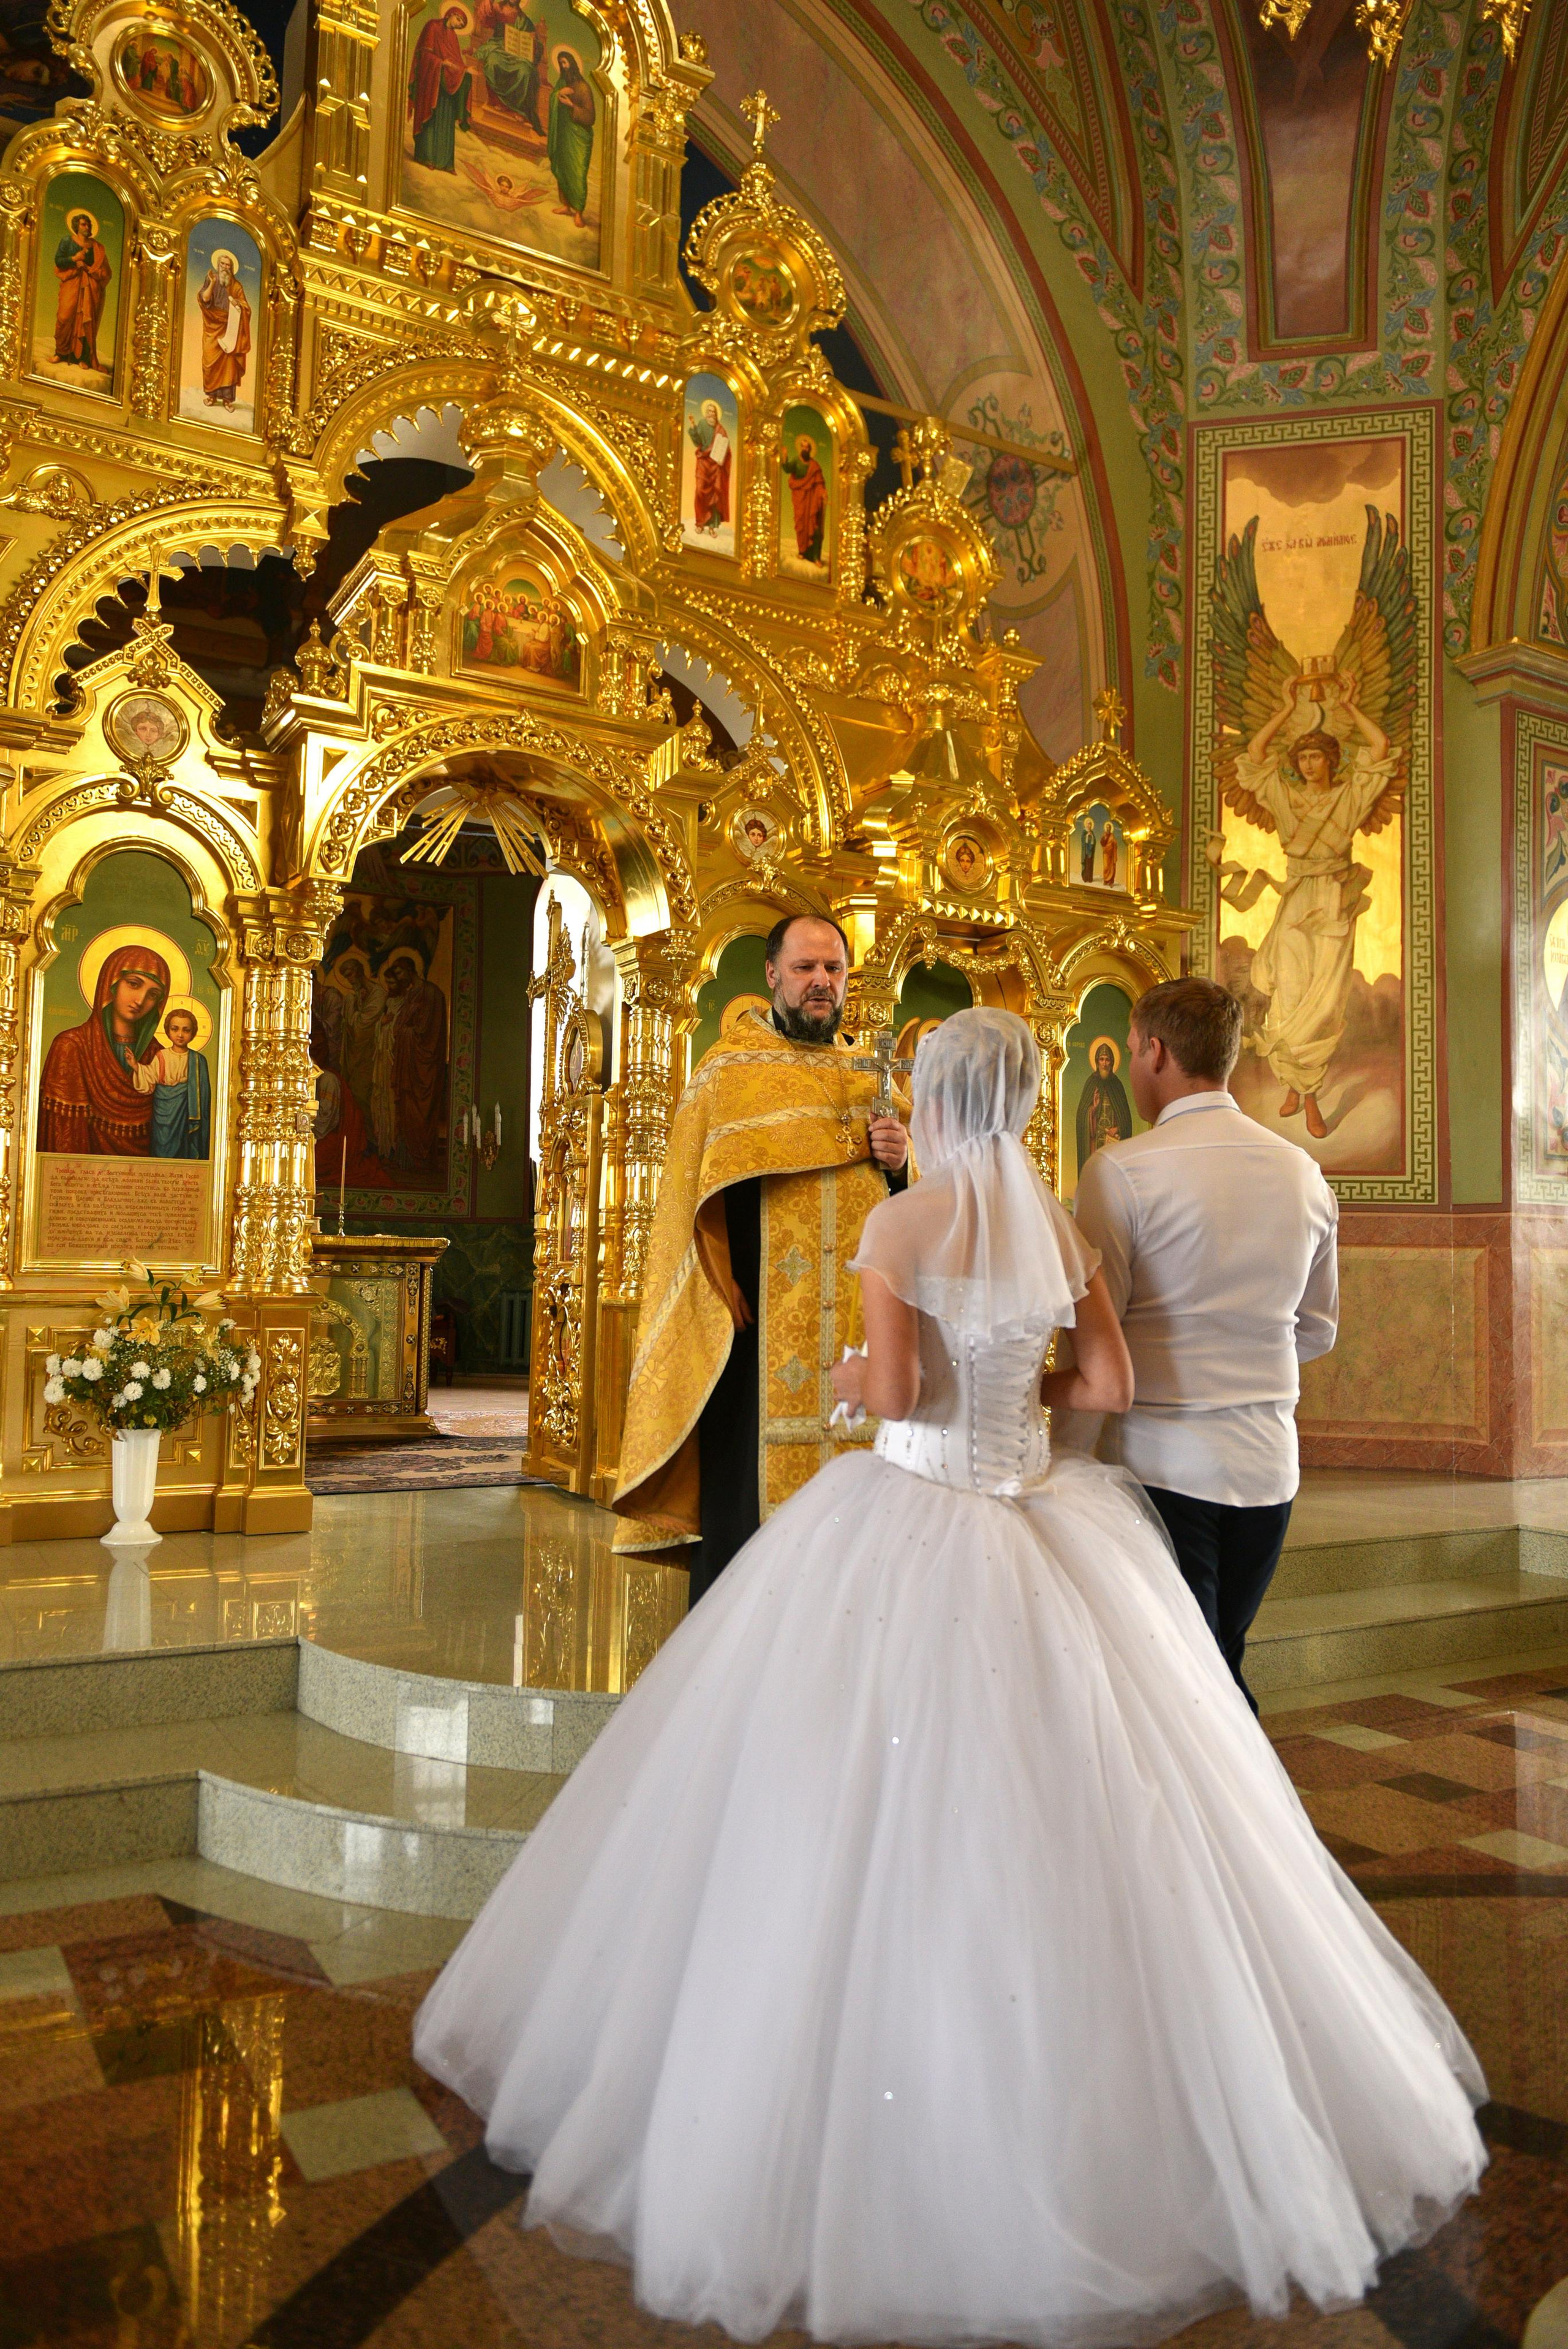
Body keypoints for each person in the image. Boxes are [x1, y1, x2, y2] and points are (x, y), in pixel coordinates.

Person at [414, 1005, 1485, 2347]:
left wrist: (859, 1378)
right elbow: (1102, 1373)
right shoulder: (1063, 1230)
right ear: (1032, 1094)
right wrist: (1022, 1421)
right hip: (1047, 1514)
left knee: (836, 1811)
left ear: (928, 1099)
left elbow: (903, 1386)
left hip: (910, 1515)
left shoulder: (902, 1227)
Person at [613, 913, 907, 1605]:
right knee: (745, 1501)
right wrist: (718, 1283)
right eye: (805, 969)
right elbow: (694, 1196)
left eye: (832, 971)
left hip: (863, 1326)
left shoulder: (872, 1073)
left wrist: (902, 1162)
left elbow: (906, 1202)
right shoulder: (729, 1072)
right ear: (772, 974)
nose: (820, 984)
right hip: (758, 1323)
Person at [1072, 976, 1338, 1707]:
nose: (1130, 1066)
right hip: (1269, 1463)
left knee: (1190, 1682)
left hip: (1163, 1461)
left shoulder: (1121, 1170)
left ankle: (1230, 1819)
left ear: (1155, 1052)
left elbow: (1097, 1335)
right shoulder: (1303, 1172)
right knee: (1220, 1656)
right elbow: (1316, 1328)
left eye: (1131, 1051)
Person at [1236, 670, 1396, 1141]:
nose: (1309, 764)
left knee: (1323, 1004)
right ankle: (1297, 1087)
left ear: (1331, 760)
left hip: (1333, 902)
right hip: (1296, 900)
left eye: (1316, 756)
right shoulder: (1283, 797)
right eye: (1302, 756)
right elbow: (1254, 757)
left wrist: (1348, 705)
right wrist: (1286, 707)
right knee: (1288, 994)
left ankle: (1309, 1093)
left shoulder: (1350, 797)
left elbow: (1381, 750)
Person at [38, 944, 170, 1155]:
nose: (140, 1000)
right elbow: (61, 1139)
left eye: (153, 995)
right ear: (111, 983)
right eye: (134, 984)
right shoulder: (71, 1046)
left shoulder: (160, 1056)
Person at [132, 1005, 211, 1159]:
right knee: (160, 1148)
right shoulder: (161, 1055)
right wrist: (136, 1066)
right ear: (168, 1031)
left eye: (186, 1030)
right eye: (175, 1029)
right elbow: (150, 1079)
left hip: (185, 1114)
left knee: (184, 1148)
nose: (180, 1035)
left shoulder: (198, 1060)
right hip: (162, 1112)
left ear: (193, 1033)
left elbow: (204, 1097)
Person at [408, 6, 471, 172]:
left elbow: (457, 62)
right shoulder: (433, 26)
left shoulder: (453, 38)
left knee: (446, 122)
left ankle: (445, 162)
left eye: (462, 24)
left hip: (446, 86)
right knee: (432, 119)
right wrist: (441, 63)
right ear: (452, 14)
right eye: (459, 20)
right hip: (431, 82)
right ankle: (426, 156)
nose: (459, 25)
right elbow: (424, 54)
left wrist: (465, 71)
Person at [53, 207, 111, 372]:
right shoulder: (67, 241)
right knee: (65, 316)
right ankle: (61, 353)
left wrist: (90, 269)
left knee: (87, 321)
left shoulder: (98, 248)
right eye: (84, 224)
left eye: (89, 225)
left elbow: (106, 271)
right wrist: (74, 259)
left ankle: (83, 358)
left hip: (90, 287)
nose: (87, 227)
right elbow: (59, 260)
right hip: (71, 282)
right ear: (77, 226)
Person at [195, 247, 249, 410]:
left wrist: (237, 303)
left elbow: (246, 307)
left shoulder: (237, 285)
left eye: (228, 265)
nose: (225, 267)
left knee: (229, 364)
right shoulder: (211, 278)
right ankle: (211, 396)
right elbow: (205, 299)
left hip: (231, 327)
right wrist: (212, 283)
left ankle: (227, 400)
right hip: (212, 326)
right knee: (210, 360)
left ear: (232, 269)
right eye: (223, 264)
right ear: (218, 265)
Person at [547, 48, 594, 224]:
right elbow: (554, 97)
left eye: (565, 63)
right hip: (564, 134)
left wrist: (571, 105)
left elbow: (590, 116)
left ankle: (579, 212)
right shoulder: (561, 83)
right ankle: (566, 205)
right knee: (563, 168)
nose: (563, 66)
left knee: (577, 173)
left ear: (573, 64)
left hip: (579, 137)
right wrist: (558, 95)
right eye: (561, 64)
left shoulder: (583, 88)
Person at [1074, 1037, 1132, 1170]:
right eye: (1102, 1059)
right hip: (1095, 1143)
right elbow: (1081, 1117)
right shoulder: (1091, 1083)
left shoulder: (1117, 1085)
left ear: (1112, 1062)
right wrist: (1093, 1109)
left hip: (1114, 1141)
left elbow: (1126, 1119)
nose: (1104, 1063)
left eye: (1107, 1059)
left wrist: (1117, 1129)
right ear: (1097, 1061)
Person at [687, 395, 731, 536]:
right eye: (710, 411)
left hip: (716, 465)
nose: (712, 414)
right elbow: (697, 442)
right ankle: (700, 522)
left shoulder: (721, 429)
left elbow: (726, 448)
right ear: (706, 413)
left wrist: (722, 457)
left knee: (715, 495)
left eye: (714, 412)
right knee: (700, 491)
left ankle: (712, 526)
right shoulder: (702, 424)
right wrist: (693, 427)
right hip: (703, 462)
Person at [782, 429, 827, 566]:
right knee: (801, 524)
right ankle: (802, 551)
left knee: (814, 526)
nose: (805, 449)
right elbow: (788, 469)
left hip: (812, 499)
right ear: (800, 448)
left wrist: (823, 493)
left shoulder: (815, 466)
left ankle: (815, 557)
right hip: (800, 497)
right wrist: (784, 458)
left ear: (810, 449)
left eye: (807, 447)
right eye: (803, 447)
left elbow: (819, 483)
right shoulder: (797, 461)